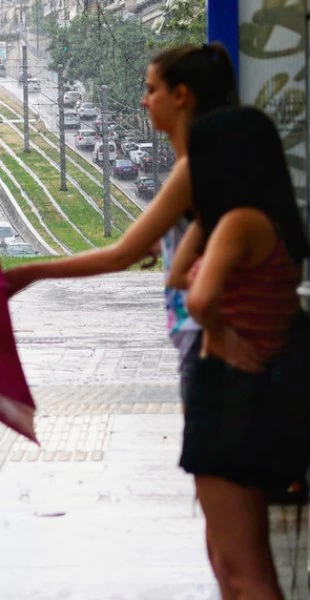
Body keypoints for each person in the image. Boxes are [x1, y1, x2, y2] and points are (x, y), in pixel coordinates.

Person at [4, 43, 238, 379]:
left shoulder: (192, 170)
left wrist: (30, 272)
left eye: (152, 89)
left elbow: (119, 256)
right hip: (200, 342)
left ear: (180, 96)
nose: (144, 101)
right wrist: (166, 244)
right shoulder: (208, 161)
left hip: (207, 346)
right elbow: (207, 237)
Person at [166, 106, 309, 599]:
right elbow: (177, 275)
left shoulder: (241, 224)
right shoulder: (249, 221)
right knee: (234, 564)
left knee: (243, 569)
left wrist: (221, 335)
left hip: (231, 397)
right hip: (244, 401)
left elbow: (199, 298)